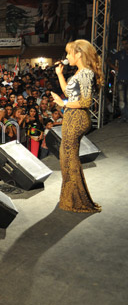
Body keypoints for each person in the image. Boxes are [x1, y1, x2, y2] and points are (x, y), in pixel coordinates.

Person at [50, 39, 103, 213]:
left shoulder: (86, 73)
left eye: (69, 53)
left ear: (78, 54)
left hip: (77, 118)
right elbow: (69, 93)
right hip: (72, 117)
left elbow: (85, 101)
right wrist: (59, 74)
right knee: (66, 157)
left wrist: (62, 103)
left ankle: (77, 200)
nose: (66, 56)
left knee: (69, 158)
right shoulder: (80, 72)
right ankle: (70, 197)